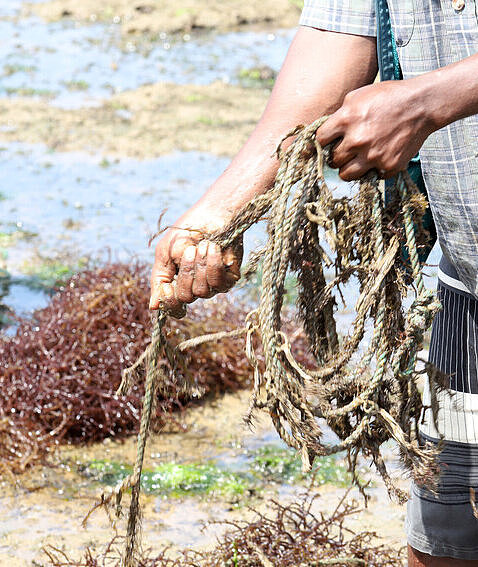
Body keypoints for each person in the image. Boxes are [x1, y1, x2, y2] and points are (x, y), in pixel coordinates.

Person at [149, 1, 478, 564]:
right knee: (446, 539)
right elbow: (339, 34)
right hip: (465, 285)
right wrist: (222, 210)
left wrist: (428, 100)